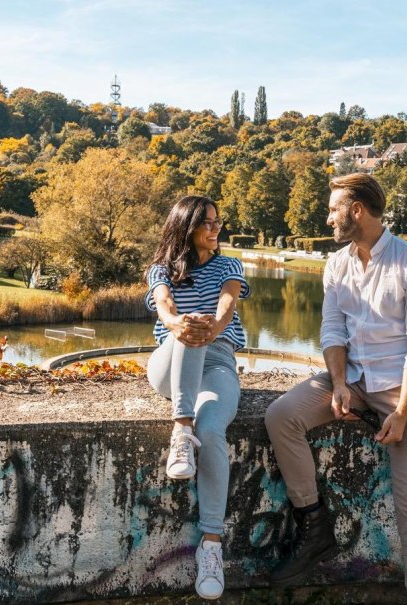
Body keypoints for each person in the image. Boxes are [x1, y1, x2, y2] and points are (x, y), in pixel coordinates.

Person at [264, 173, 407, 602]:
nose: (327, 219)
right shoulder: (337, 264)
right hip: (351, 380)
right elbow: (331, 329)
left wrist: (401, 411)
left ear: (356, 211)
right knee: (281, 415)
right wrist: (339, 383)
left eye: (332, 209)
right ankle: (315, 522)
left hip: (403, 388)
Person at [143, 195, 250, 600]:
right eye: (207, 222)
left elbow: (227, 303)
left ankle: (211, 546)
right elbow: (165, 307)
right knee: (187, 326)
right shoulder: (161, 270)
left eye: (218, 221)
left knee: (214, 431)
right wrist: (179, 324)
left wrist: (215, 325)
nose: (216, 228)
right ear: (185, 227)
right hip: (168, 363)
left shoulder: (228, 265)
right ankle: (180, 428)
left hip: (218, 362)